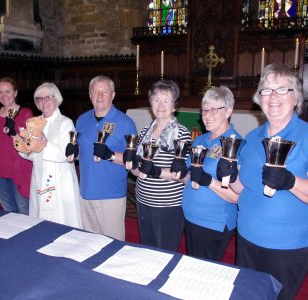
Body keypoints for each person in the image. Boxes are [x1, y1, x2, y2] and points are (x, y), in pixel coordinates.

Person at [219, 63, 308, 300]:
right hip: (247, 238)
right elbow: (244, 188)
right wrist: (230, 174)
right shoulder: (253, 137)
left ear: (296, 96)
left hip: (286, 246)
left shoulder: (306, 135)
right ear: (259, 97)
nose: (273, 97)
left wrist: (291, 181)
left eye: (282, 89)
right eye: (267, 90)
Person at [65, 75, 137, 240]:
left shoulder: (126, 123)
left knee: (112, 246)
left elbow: (134, 162)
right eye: (95, 92)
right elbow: (82, 155)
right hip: (85, 192)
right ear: (90, 95)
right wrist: (73, 152)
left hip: (110, 195)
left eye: (105, 92)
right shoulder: (82, 120)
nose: (100, 96)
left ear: (113, 95)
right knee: (88, 243)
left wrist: (109, 155)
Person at [180, 86, 240, 261]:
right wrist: (179, 171)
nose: (207, 115)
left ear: (228, 111)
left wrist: (208, 181)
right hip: (191, 216)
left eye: (214, 109)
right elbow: (190, 178)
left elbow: (237, 196)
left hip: (213, 222)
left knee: (205, 276)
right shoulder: (201, 139)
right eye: (204, 110)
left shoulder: (235, 144)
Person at [129, 80, 191, 251]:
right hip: (143, 201)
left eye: (166, 100)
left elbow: (181, 174)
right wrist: (132, 165)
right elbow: (138, 172)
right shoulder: (144, 132)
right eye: (156, 99)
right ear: (151, 104)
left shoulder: (181, 133)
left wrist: (155, 171)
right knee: (148, 251)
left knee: (165, 253)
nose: (160, 104)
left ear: (174, 106)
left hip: (167, 205)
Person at [18, 82, 82, 228]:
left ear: (56, 99)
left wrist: (46, 143)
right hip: (40, 176)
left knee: (61, 221)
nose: (43, 101)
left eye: (48, 97)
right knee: (41, 221)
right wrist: (23, 148)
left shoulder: (66, 123)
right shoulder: (33, 123)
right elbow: (33, 155)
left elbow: (65, 155)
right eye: (39, 98)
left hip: (60, 180)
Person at [0, 77, 33, 214]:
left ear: (15, 93)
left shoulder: (25, 114)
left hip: (20, 168)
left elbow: (28, 146)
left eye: (7, 91)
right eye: (0, 92)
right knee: (8, 211)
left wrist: (13, 132)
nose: (4, 96)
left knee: (24, 210)